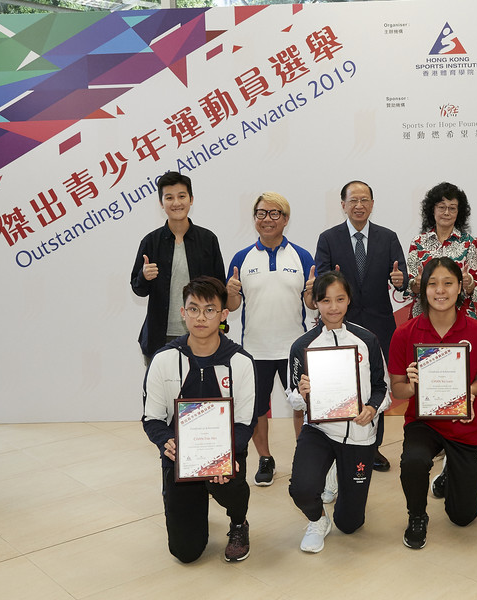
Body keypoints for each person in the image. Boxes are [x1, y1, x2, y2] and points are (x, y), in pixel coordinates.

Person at [141, 276, 257, 563]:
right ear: (183, 313)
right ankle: (185, 502)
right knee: (186, 552)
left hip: (226, 456)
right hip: (181, 458)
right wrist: (165, 441)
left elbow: (244, 421)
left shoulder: (241, 362)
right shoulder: (164, 359)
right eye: (193, 309)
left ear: (223, 315)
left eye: (209, 310)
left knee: (230, 485)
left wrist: (227, 454)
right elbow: (152, 418)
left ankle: (239, 522)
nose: (200, 317)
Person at [389, 257, 477, 549]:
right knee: (413, 460)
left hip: (465, 424)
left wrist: (469, 392)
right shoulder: (404, 334)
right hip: (424, 422)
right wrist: (411, 387)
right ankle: (417, 515)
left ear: (460, 287)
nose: (440, 290)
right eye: (432, 284)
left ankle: (449, 475)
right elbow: (398, 391)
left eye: (448, 283)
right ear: (422, 289)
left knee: (463, 517)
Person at [286, 271, 390, 553]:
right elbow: (293, 397)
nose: (333, 307)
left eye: (339, 299)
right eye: (325, 300)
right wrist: (303, 393)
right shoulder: (301, 346)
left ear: (348, 300)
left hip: (359, 435)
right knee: (302, 488)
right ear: (316, 303)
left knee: (350, 523)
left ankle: (337, 474)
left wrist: (371, 408)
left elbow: (383, 388)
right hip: (319, 430)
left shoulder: (366, 340)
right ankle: (318, 520)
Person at [315, 180, 409, 472]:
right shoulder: (329, 238)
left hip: (379, 325)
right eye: (352, 200)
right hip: (340, 326)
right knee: (341, 385)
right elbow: (321, 279)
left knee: (375, 387)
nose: (359, 205)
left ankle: (373, 446)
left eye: (364, 200)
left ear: (372, 204)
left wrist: (400, 281)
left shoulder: (388, 237)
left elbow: (402, 276)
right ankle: (339, 444)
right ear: (343, 205)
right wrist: (332, 279)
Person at [226, 192, 316, 487]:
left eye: (275, 213)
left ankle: (305, 456)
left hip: (294, 347)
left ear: (286, 219)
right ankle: (265, 457)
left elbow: (313, 304)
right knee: (258, 408)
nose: (267, 219)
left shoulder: (302, 256)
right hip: (255, 349)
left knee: (301, 403)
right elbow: (233, 306)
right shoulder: (241, 258)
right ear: (254, 219)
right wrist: (230, 292)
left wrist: (312, 294)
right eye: (261, 213)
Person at [131, 172, 226, 363]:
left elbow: (220, 289)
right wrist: (144, 276)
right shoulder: (151, 241)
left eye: (182, 196)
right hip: (160, 338)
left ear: (191, 199)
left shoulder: (208, 240)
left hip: (202, 335)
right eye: (169, 197)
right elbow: (138, 289)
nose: (176, 203)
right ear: (161, 203)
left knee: (202, 393)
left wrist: (220, 327)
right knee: (160, 393)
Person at [405, 182, 477, 319]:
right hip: (424, 315)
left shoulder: (469, 242)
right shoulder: (417, 242)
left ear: (459, 212)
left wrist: (468, 282)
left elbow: (474, 291)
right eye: (441, 207)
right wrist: (417, 283)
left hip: (461, 315)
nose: (446, 213)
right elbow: (411, 289)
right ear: (432, 210)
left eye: (452, 208)